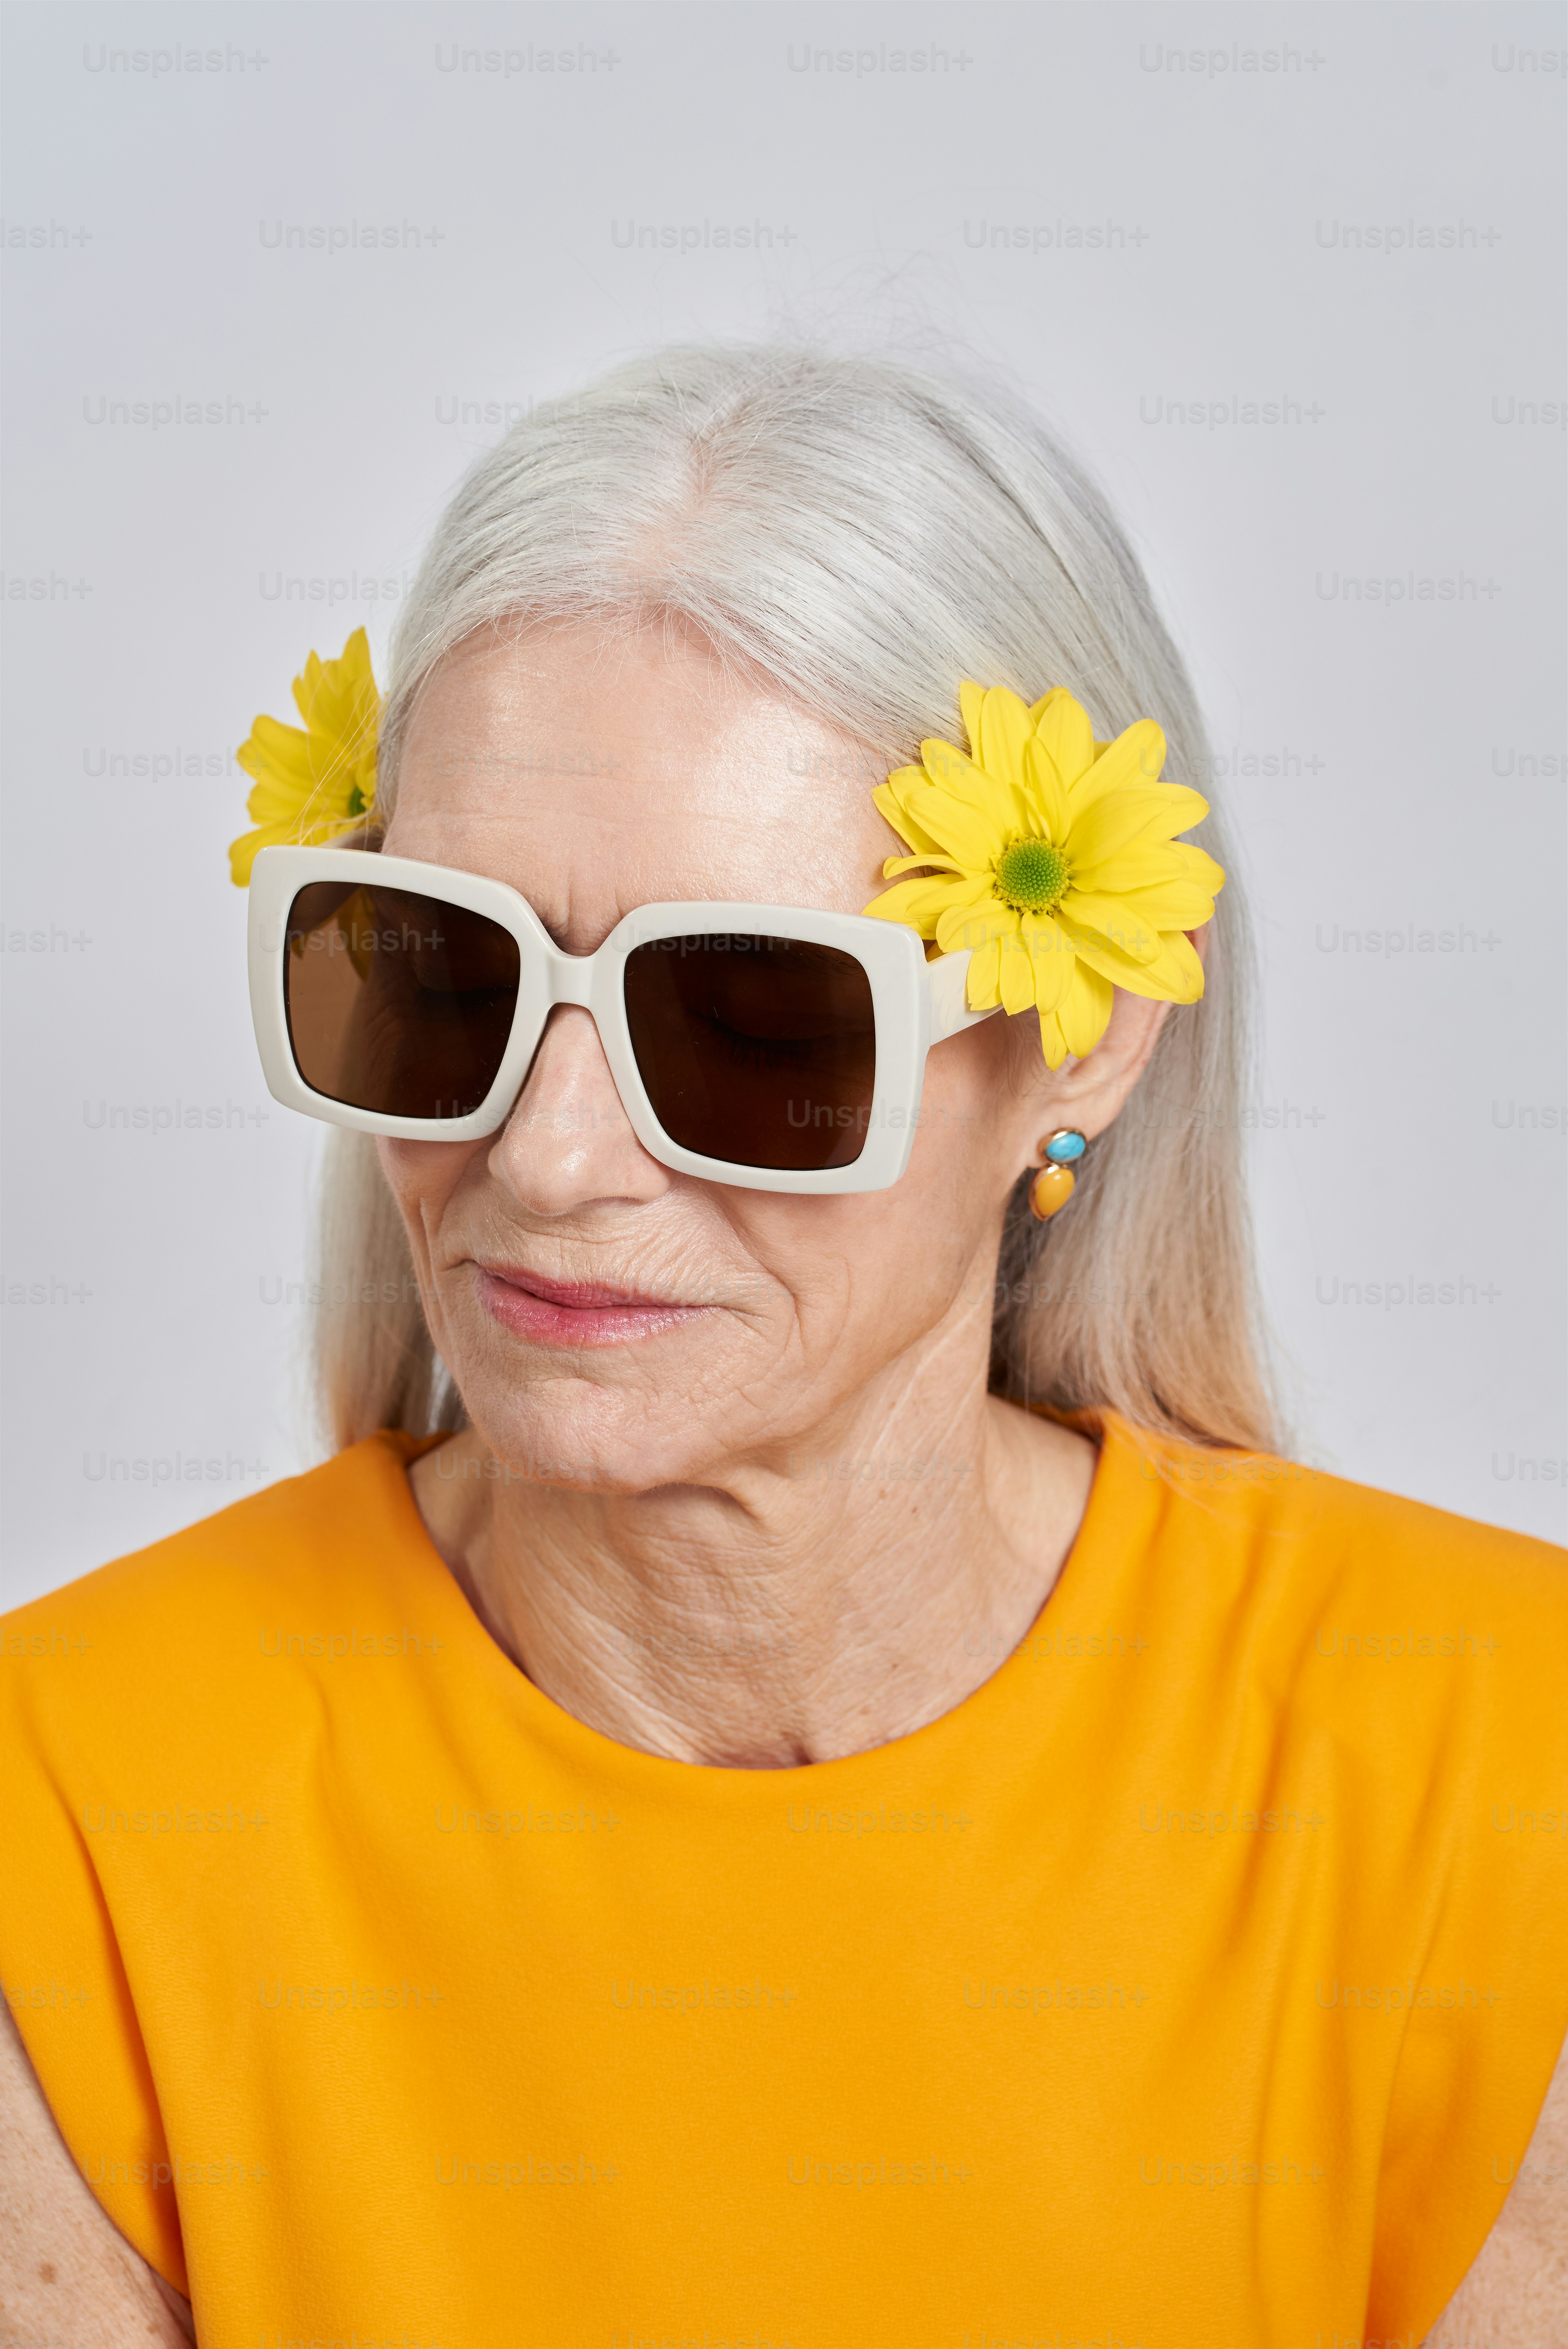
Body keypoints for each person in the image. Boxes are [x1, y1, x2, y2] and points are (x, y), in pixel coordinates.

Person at [3, 345, 1564, 2344]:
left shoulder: (1488, 1780)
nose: (548, 1163)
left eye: (751, 1017)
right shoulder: (68, 1802)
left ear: (1075, 1035)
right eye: (448, 976)